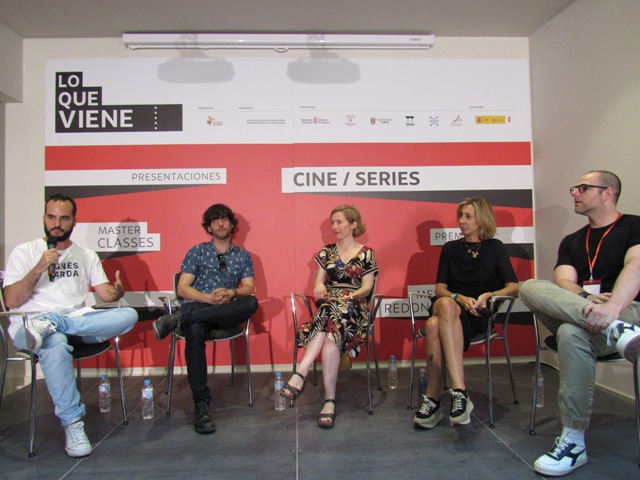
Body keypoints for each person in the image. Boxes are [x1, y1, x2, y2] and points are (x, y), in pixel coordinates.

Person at [519, 170, 640, 477]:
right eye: (575, 188)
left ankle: (573, 441)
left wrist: (612, 307)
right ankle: (616, 332)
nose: (574, 192)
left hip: (629, 311)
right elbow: (563, 281)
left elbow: (637, 265)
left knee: (571, 333)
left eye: (583, 188)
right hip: (593, 317)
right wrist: (587, 300)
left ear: (608, 192)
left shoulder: (634, 226)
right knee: (530, 286)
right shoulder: (572, 241)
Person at [3, 193, 138, 457]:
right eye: (51, 217)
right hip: (29, 326)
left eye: (64, 218)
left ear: (74, 221)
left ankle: (52, 323)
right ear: (44, 218)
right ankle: (73, 424)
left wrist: (117, 293)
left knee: (129, 315)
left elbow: (105, 295)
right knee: (54, 343)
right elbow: (11, 301)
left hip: (75, 322)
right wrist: (39, 267)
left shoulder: (86, 255)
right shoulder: (24, 252)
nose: (57, 224)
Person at [413, 197, 519, 429]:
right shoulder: (450, 248)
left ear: (482, 219)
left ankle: (432, 400)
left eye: (468, 216)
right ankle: (459, 392)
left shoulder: (495, 247)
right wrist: (458, 297)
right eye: (460, 216)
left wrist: (489, 295)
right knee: (445, 304)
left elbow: (513, 287)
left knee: (432, 325)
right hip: (449, 304)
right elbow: (440, 289)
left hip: (475, 314)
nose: (461, 221)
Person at [152, 203, 259, 434]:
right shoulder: (197, 251)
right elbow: (182, 288)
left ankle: (179, 318)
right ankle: (201, 404)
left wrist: (231, 293)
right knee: (195, 330)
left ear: (232, 224)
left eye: (224, 219)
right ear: (209, 227)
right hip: (200, 306)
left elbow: (249, 287)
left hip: (226, 311)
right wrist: (206, 298)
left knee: (251, 302)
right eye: (214, 220)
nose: (220, 223)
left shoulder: (243, 256)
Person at [279, 204, 378, 428]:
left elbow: (367, 287)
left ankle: (300, 374)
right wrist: (319, 286)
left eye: (339, 222)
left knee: (330, 315)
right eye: (333, 222)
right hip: (330, 307)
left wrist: (350, 297)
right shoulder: (326, 251)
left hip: (354, 308)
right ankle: (329, 401)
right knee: (330, 321)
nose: (335, 227)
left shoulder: (367, 253)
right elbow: (319, 280)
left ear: (353, 224)